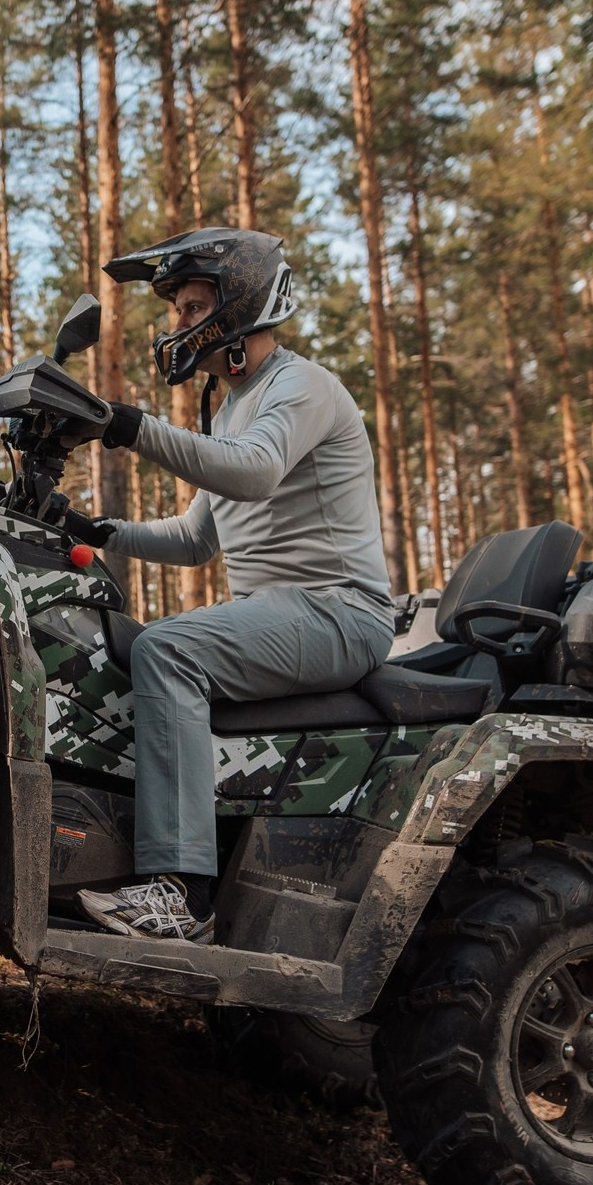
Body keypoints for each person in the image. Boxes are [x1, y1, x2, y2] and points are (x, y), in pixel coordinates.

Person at [64, 228, 393, 943]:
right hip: (284, 612)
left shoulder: (301, 386)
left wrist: (127, 426)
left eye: (189, 306)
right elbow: (196, 539)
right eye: (177, 309)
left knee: (167, 650)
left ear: (235, 304)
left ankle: (182, 896)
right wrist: (94, 529)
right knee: (147, 648)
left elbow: (254, 470)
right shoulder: (232, 403)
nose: (176, 323)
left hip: (341, 612)